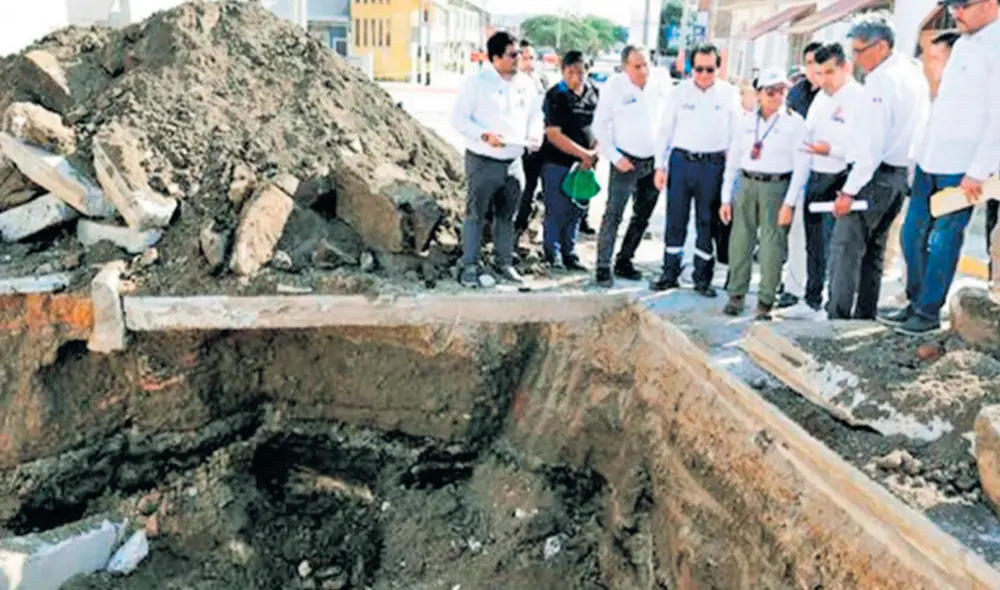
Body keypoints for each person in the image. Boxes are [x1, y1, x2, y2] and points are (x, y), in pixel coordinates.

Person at [882, 0, 999, 335]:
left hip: (964, 167)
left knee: (943, 240)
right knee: (911, 233)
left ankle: (928, 311)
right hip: (931, 159)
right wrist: (919, 154)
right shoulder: (962, 45)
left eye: (963, 5)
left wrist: (980, 169)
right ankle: (915, 302)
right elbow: (944, 106)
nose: (956, 13)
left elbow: (998, 115)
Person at [825, 13, 929, 321]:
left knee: (846, 252)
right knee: (874, 253)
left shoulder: (882, 81)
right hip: (897, 177)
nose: (854, 59)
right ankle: (864, 316)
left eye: (859, 51)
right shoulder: (912, 72)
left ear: (881, 46)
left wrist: (848, 191)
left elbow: (871, 147)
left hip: (873, 176)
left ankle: (837, 320)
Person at [450, 31, 544, 287]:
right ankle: (469, 265)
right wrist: (483, 135)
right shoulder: (477, 84)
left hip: (514, 163)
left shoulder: (526, 84)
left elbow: (536, 116)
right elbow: (459, 120)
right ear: (495, 58)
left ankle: (504, 263)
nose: (518, 60)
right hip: (483, 161)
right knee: (475, 215)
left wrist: (535, 135)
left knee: (507, 216)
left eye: (519, 55)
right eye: (512, 55)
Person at [720, 69, 810, 320]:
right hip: (747, 183)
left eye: (782, 91)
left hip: (777, 186)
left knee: (772, 245)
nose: (776, 96)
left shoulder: (795, 123)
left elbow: (801, 166)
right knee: (740, 241)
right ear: (759, 94)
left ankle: (765, 300)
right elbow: (733, 161)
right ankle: (736, 294)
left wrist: (789, 203)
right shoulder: (746, 122)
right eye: (771, 91)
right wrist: (726, 197)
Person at [651, 43, 740, 297]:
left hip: (712, 166)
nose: (703, 75)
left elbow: (735, 137)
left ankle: (702, 277)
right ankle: (669, 273)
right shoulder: (679, 93)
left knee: (706, 222)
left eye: (709, 69)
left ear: (718, 68)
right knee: (675, 219)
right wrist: (660, 165)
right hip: (681, 163)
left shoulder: (728, 94)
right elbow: (665, 131)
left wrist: (731, 175)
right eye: (698, 69)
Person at [788, 42, 864, 315]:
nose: (823, 80)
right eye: (819, 73)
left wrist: (830, 149)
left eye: (829, 72)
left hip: (841, 180)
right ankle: (811, 299)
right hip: (816, 175)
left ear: (846, 67)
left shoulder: (858, 99)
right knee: (813, 244)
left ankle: (834, 306)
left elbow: (862, 149)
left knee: (837, 247)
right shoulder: (821, 97)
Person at [591, 46, 667, 287]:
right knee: (614, 213)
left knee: (642, 216)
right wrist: (614, 157)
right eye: (637, 66)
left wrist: (663, 162)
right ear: (625, 67)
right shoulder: (614, 87)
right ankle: (603, 266)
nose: (643, 70)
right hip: (625, 160)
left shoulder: (661, 83)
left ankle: (625, 260)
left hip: (653, 161)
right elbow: (600, 126)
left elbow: (668, 122)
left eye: (646, 64)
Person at [538, 50, 599, 271]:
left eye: (580, 72)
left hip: (586, 165)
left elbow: (602, 126)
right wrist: (582, 154)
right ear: (563, 71)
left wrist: (593, 154)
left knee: (576, 210)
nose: (576, 77)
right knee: (557, 209)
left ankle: (569, 253)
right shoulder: (555, 95)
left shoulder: (594, 93)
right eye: (570, 72)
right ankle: (551, 253)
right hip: (557, 162)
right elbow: (553, 134)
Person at [774, 41, 824, 309]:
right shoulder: (797, 92)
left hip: (821, 172)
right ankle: (791, 285)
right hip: (792, 169)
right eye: (808, 62)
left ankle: (808, 290)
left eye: (817, 62)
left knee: (810, 238)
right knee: (791, 233)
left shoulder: (831, 95)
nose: (812, 68)